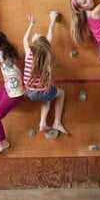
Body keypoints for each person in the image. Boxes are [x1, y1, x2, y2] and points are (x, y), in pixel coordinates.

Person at [23, 11, 69, 139]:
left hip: (30, 92)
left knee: (46, 96)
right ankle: (57, 122)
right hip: (43, 91)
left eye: (37, 35)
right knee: (60, 93)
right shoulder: (46, 54)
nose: (37, 33)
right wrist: (52, 19)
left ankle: (43, 123)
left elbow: (25, 39)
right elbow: (50, 34)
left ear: (34, 44)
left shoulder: (29, 52)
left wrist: (31, 25)